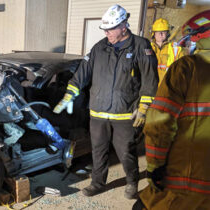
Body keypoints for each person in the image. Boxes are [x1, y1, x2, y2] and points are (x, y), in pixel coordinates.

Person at [53, 4, 158, 199]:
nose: (107, 33)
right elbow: (82, 74)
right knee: (98, 151)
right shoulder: (99, 48)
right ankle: (97, 183)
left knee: (126, 151)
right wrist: (70, 94)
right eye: (105, 29)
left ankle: (132, 182)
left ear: (123, 27)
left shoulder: (141, 46)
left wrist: (143, 108)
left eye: (111, 29)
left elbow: (150, 80)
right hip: (98, 112)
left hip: (125, 113)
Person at [134, 19, 210, 210]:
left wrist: (154, 166)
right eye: (159, 32)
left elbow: (160, 123)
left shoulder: (184, 61)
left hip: (169, 99)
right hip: (159, 96)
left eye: (164, 32)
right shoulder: (147, 48)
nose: (162, 35)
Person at [150, 18, 184, 86]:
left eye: (163, 31)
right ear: (154, 33)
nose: (161, 34)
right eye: (158, 32)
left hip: (168, 88)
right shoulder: (146, 48)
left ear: (167, 33)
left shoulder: (176, 49)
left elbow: (183, 69)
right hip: (149, 89)